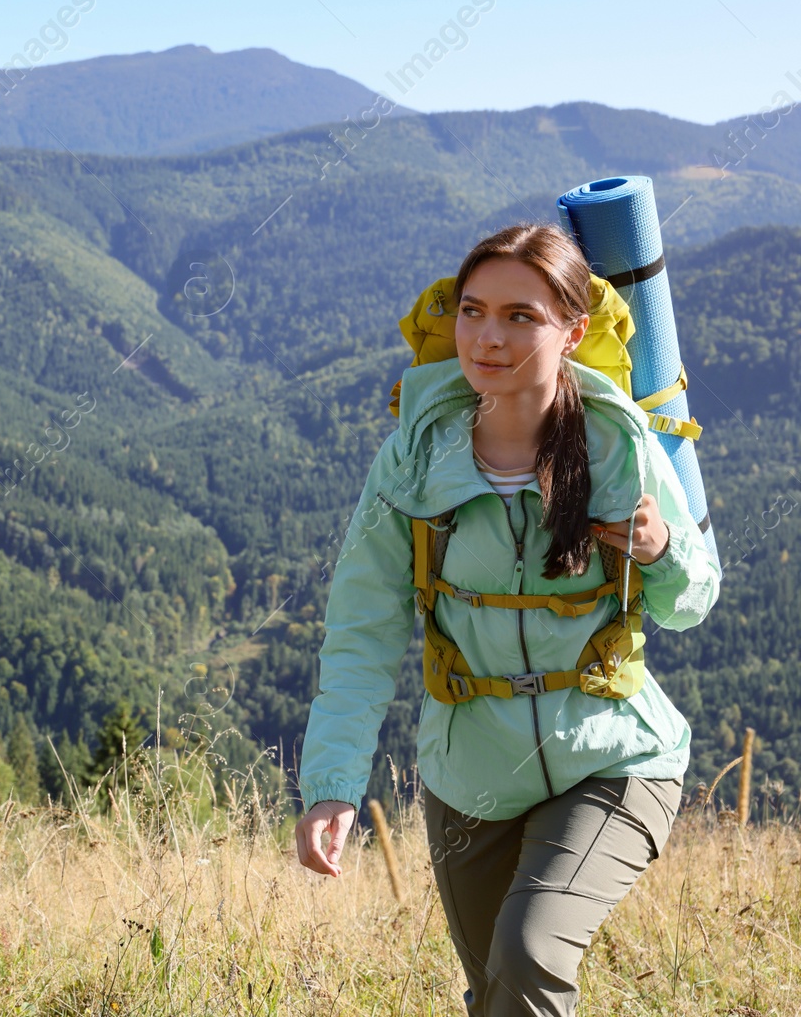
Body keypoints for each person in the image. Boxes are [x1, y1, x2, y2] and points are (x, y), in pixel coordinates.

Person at [292, 223, 721, 1016]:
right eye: (472, 310)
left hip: (615, 756)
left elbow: (693, 602)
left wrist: (662, 550)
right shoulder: (415, 461)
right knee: (494, 990)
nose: (488, 336)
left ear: (572, 331)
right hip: (470, 778)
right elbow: (362, 629)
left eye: (521, 316)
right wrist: (333, 786)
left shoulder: (620, 445)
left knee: (527, 956)